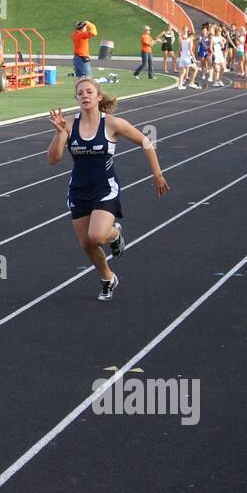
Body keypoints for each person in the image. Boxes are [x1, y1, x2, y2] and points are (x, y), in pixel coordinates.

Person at [47, 79, 169, 302]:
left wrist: (157, 174)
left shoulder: (113, 123)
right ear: (76, 98)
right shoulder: (67, 124)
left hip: (105, 188)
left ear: (98, 97)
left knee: (97, 235)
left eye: (89, 92)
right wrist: (58, 133)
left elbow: (145, 142)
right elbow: (53, 159)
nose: (85, 95)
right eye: (80, 93)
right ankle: (107, 278)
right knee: (87, 244)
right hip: (78, 190)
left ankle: (115, 233)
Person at [176, 26, 200, 90]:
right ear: (192, 36)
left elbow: (180, 48)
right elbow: (190, 50)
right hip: (188, 58)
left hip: (182, 58)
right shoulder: (190, 40)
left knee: (182, 73)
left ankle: (180, 85)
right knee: (195, 69)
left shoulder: (183, 41)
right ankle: (191, 83)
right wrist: (194, 58)